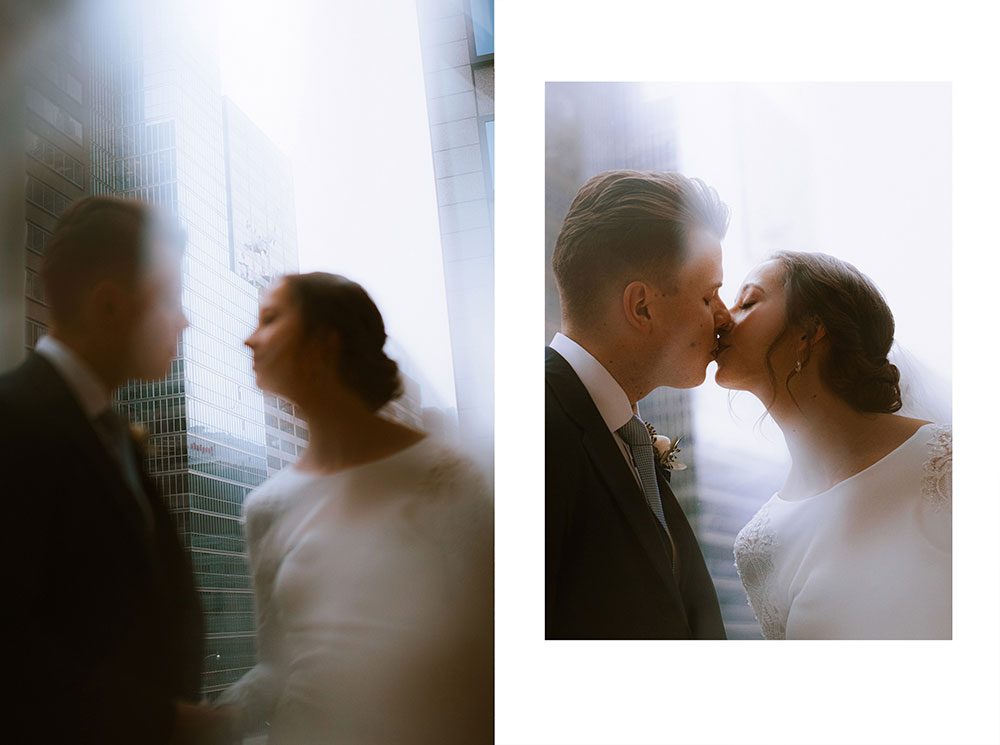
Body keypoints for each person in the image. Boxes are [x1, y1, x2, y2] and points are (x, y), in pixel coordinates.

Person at [219, 272, 493, 744]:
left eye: (269, 319)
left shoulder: (449, 479)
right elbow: (277, 665)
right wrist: (216, 718)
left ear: (323, 343)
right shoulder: (266, 507)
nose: (249, 338)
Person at [1, 197, 233, 743]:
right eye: (170, 299)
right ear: (109, 306)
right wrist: (163, 723)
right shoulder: (12, 422)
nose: (184, 319)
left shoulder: (109, 432)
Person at [720, 251, 951, 639]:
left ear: (810, 331)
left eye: (748, 302)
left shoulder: (946, 465)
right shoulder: (757, 545)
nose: (724, 318)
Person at [546, 170, 730, 639]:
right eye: (709, 295)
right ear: (642, 307)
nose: (724, 317)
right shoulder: (540, 425)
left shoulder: (621, 432)